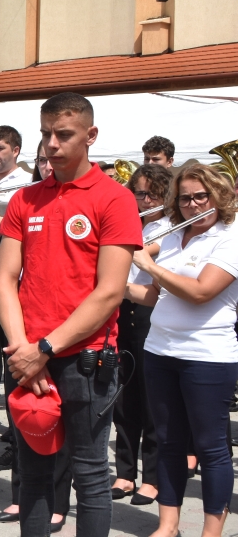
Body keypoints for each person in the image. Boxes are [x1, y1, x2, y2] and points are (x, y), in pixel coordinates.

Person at [0, 92, 141, 537]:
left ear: (90, 135)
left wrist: (43, 348)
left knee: (90, 475)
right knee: (33, 475)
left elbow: (110, 291)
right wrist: (23, 350)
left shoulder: (115, 199)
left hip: (86, 359)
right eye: (46, 134)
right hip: (28, 360)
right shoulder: (25, 199)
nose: (52, 145)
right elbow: (5, 280)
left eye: (64, 134)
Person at [0, 144, 71, 532]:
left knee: (60, 422)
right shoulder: (26, 204)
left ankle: (58, 502)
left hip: (60, 333)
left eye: (47, 157)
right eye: (40, 158)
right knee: (23, 417)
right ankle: (23, 497)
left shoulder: (61, 206)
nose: (46, 163)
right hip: (23, 328)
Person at [130, 164, 238, 537]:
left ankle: (211, 532)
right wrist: (109, 284)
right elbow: (153, 296)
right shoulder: (175, 235)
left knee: (210, 449)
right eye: (185, 198)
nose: (192, 205)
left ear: (217, 197)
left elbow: (201, 292)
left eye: (200, 197)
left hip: (207, 357)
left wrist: (149, 266)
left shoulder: (230, 236)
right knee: (168, 442)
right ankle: (169, 524)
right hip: (160, 351)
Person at [113, 163, 173, 505]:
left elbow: (139, 257)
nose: (145, 199)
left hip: (150, 313)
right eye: (139, 193)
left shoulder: (169, 228)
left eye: (152, 193)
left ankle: (152, 478)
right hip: (122, 314)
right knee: (124, 399)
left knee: (152, 402)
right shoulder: (132, 223)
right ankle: (124, 473)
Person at [0, 125, 31, 411]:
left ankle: (15, 407)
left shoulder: (25, 183)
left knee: (8, 340)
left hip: (12, 271)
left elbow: (21, 230)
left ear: (15, 151)